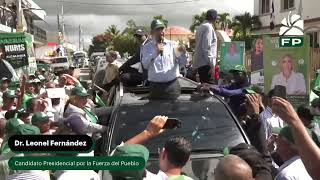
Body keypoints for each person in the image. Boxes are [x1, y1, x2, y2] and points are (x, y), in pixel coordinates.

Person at [272, 97, 320, 179]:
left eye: (279, 138)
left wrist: (293, 121)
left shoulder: (287, 175)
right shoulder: (307, 167)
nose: (275, 140)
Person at [141, 19, 188, 100]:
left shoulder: (174, 45)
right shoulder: (147, 47)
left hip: (172, 86)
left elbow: (182, 63)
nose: (161, 32)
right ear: (152, 32)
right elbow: (145, 65)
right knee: (156, 112)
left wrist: (183, 54)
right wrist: (155, 53)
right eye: (157, 29)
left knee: (173, 112)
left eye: (162, 29)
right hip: (155, 87)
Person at [193, 9, 218, 83]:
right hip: (206, 64)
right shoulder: (208, 27)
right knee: (209, 88)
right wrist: (212, 65)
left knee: (204, 88)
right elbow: (206, 47)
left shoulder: (200, 27)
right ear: (214, 18)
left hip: (201, 64)